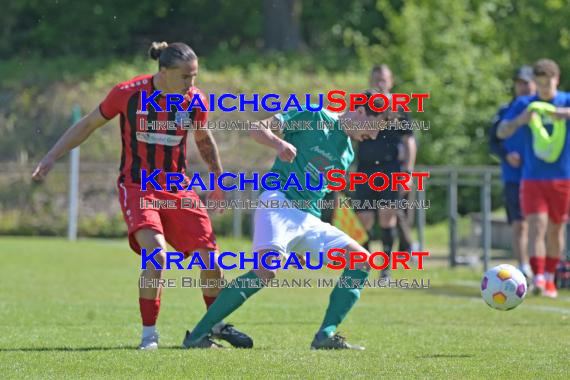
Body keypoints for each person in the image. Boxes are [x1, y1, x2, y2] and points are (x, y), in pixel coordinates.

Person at [31, 41, 252, 349]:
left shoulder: (194, 100)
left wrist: (218, 179)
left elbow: (203, 139)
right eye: (186, 77)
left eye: (195, 76)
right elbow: (89, 123)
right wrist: (53, 155)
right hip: (139, 186)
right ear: (163, 72)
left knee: (210, 258)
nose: (192, 84)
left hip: (178, 187)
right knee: (156, 254)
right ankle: (149, 336)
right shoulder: (128, 93)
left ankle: (209, 328)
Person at [182, 93, 388, 350]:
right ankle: (197, 337)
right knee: (266, 269)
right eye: (374, 127)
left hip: (307, 217)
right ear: (359, 111)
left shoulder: (346, 153)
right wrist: (278, 144)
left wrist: (301, 242)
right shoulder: (313, 115)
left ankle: (325, 335)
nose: (375, 136)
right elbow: (257, 128)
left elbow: (319, 194)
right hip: (278, 202)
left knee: (362, 260)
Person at [497, 58, 570, 298]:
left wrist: (565, 114)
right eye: (539, 84)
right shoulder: (525, 104)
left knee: (556, 229)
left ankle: (550, 278)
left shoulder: (565, 101)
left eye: (547, 83)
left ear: (556, 80)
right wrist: (520, 120)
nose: (543, 89)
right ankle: (538, 278)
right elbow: (500, 131)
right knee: (536, 225)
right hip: (532, 178)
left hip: (561, 177)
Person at [354, 64, 417, 279]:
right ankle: (363, 262)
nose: (380, 82)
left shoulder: (399, 108)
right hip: (365, 168)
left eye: (384, 79)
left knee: (386, 217)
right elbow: (349, 130)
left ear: (391, 81)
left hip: (390, 169)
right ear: (371, 80)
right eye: (376, 78)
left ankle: (385, 269)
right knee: (363, 217)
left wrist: (407, 172)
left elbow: (409, 141)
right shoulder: (361, 103)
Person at [489, 66, 535, 279]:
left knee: (542, 224)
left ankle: (543, 269)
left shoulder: (546, 109)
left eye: (527, 82)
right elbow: (493, 142)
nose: (523, 86)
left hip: (540, 176)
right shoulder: (505, 110)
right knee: (520, 224)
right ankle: (524, 267)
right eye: (520, 82)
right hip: (513, 176)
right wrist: (506, 155)